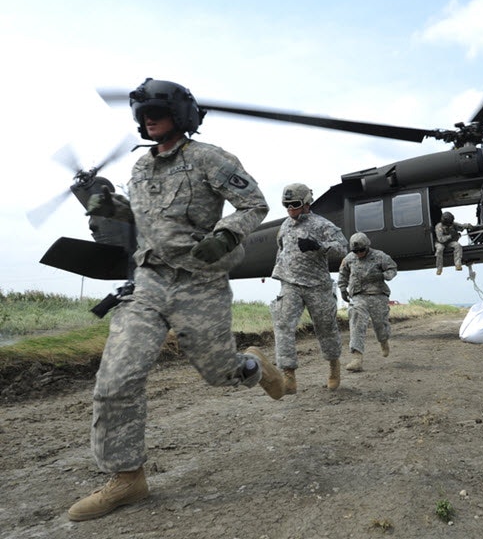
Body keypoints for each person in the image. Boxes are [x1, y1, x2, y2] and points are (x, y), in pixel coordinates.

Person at [67, 78, 284, 522]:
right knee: (116, 377)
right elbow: (143, 217)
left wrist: (225, 236)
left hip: (199, 282)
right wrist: (109, 206)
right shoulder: (141, 168)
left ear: (181, 115)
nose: (148, 118)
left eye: (158, 110)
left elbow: (253, 205)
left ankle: (255, 365)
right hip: (148, 281)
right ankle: (128, 478)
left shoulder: (211, 159)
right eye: (143, 112)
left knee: (221, 373)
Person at [271, 183, 349, 393]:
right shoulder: (285, 225)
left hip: (317, 286)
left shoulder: (322, 224)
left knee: (325, 328)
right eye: (286, 205)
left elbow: (343, 248)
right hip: (290, 284)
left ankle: (333, 365)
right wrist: (282, 273)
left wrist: (319, 246)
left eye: (295, 204)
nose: (290, 209)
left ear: (306, 203)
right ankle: (288, 375)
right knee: (283, 324)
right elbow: (281, 249)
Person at [337, 232, 398, 372]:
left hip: (378, 295)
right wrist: (342, 288)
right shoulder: (349, 259)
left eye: (361, 250)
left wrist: (383, 275)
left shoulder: (380, 256)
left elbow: (392, 268)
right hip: (359, 296)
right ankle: (357, 358)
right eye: (355, 251)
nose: (359, 253)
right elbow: (343, 273)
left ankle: (383, 341)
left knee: (380, 324)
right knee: (356, 321)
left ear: (367, 246)